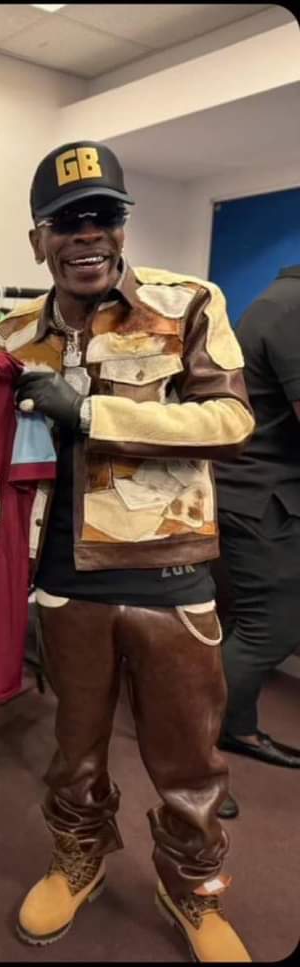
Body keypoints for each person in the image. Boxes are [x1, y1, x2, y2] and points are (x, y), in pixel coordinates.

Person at [0, 141, 256, 962]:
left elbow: (232, 422)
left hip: (171, 573)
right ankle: (78, 858)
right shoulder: (12, 335)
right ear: (38, 238)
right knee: (73, 750)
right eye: (66, 221)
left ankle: (192, 887)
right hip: (64, 581)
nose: (87, 234)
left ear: (122, 226)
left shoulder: (187, 305)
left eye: (103, 215)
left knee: (189, 757)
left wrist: (92, 413)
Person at [212, 266, 300, 795]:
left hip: (263, 491)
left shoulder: (278, 300)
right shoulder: (292, 309)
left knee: (255, 622)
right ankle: (208, 741)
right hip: (262, 496)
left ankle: (228, 725)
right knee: (269, 628)